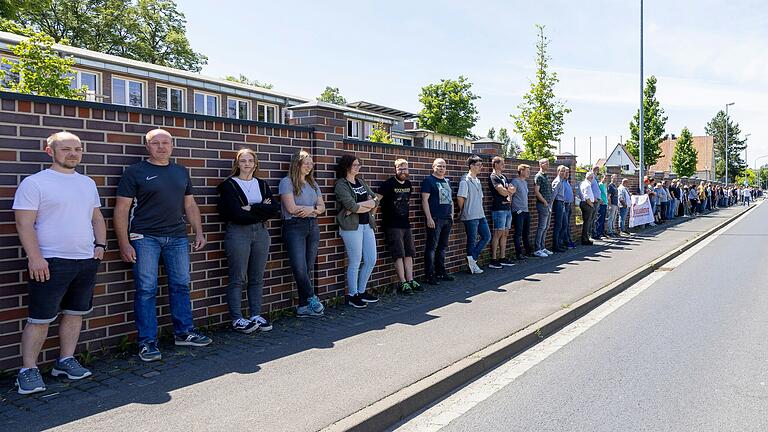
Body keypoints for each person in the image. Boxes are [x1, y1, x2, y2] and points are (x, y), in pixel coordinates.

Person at [13, 132, 106, 395]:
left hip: (85, 260)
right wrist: (35, 257)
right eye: (66, 149)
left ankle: (65, 361)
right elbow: (24, 224)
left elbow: (97, 218)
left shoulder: (87, 183)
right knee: (40, 318)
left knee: (75, 314)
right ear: (49, 151)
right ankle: (28, 370)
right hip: (50, 261)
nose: (73, 154)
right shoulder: (35, 183)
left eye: (77, 149)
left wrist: (99, 245)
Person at [115, 129, 212, 363]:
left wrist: (198, 231)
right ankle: (147, 342)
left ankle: (184, 332)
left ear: (172, 145)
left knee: (181, 285)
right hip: (144, 237)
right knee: (146, 289)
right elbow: (121, 209)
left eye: (165, 143)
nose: (161, 147)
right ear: (147, 146)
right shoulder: (135, 172)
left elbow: (190, 205)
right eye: (155, 143)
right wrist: (123, 242)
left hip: (177, 237)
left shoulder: (180, 171)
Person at [217, 148, 279, 334]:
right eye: (243, 161)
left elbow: (273, 209)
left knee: (256, 276)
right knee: (238, 277)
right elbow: (233, 213)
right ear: (237, 164)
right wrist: (260, 209)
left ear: (255, 163)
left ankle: (255, 314)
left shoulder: (262, 184)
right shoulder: (229, 185)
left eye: (250, 160)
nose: (247, 164)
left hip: (261, 233)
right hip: (238, 233)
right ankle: (237, 318)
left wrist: (250, 208)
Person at [279, 150, 326, 317]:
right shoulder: (287, 182)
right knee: (299, 267)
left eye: (311, 163)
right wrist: (313, 210)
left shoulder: (313, 184)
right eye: (306, 163)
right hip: (294, 227)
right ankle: (312, 298)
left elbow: (322, 208)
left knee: (307, 267)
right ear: (297, 164)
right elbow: (291, 209)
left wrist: (311, 210)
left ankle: (303, 307)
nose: (309, 166)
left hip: (312, 226)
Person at [334, 154, 380, 308]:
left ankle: (361, 291)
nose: (358, 167)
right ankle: (352, 295)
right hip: (351, 227)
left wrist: (365, 206)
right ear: (346, 166)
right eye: (355, 165)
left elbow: (376, 200)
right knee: (355, 261)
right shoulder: (341, 184)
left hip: (367, 224)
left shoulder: (361, 181)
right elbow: (351, 206)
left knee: (371, 259)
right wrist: (365, 205)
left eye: (359, 165)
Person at [379, 159, 421, 295]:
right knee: (398, 254)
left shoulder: (408, 184)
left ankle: (410, 280)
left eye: (405, 168)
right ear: (395, 169)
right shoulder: (388, 184)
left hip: (405, 224)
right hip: (392, 225)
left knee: (409, 253)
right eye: (400, 168)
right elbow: (376, 199)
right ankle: (402, 282)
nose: (403, 171)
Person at [422, 158, 456, 285]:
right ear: (433, 167)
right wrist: (429, 218)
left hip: (447, 218)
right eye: (439, 166)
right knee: (432, 247)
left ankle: (441, 272)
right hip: (435, 218)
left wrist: (452, 213)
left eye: (444, 166)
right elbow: (424, 200)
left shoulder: (447, 181)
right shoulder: (428, 181)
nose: (442, 168)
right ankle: (429, 275)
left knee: (443, 247)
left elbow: (451, 199)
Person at [458, 155, 491, 274]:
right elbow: (460, 198)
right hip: (470, 215)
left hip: (480, 214)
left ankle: (472, 260)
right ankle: (472, 264)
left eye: (481, 165)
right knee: (471, 241)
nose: (480, 167)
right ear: (471, 166)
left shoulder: (477, 180)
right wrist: (463, 210)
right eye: (478, 165)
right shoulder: (465, 181)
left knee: (487, 237)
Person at [488, 156, 516, 269]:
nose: (504, 165)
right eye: (502, 163)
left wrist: (509, 191)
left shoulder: (503, 177)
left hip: (507, 208)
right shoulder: (493, 177)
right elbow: (502, 191)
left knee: (505, 233)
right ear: (495, 164)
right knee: (498, 233)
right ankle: (493, 259)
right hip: (499, 208)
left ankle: (502, 257)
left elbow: (513, 190)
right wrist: (508, 192)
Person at [511, 164, 533, 260]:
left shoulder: (525, 182)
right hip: (518, 211)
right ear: (521, 171)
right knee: (518, 233)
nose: (529, 173)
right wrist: (515, 208)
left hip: (526, 211)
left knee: (526, 232)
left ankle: (528, 252)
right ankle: (518, 253)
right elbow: (511, 195)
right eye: (527, 171)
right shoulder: (515, 181)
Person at [533, 158, 553, 257]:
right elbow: (536, 191)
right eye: (546, 163)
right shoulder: (538, 176)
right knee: (541, 227)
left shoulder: (546, 176)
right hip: (543, 204)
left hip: (549, 204)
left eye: (548, 163)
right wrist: (544, 202)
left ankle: (542, 247)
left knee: (546, 227)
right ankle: (537, 249)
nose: (548, 165)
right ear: (540, 164)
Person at [550, 165, 568, 252]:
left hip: (562, 203)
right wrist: (550, 206)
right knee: (558, 225)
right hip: (558, 203)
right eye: (562, 171)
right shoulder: (557, 182)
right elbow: (553, 195)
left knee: (564, 224)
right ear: (558, 171)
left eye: (564, 171)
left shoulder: (562, 181)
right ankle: (556, 245)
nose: (563, 172)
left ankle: (560, 243)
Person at [579, 172, 596, 245]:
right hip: (587, 204)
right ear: (591, 178)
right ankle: (585, 239)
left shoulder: (583, 183)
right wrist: (591, 204)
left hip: (585, 203)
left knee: (586, 222)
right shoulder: (587, 185)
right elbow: (586, 196)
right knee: (587, 222)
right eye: (593, 177)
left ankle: (585, 238)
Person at [562, 167, 576, 248]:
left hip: (569, 204)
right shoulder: (562, 182)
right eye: (565, 172)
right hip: (565, 205)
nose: (567, 174)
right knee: (565, 224)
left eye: (568, 172)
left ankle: (568, 240)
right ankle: (566, 242)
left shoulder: (567, 182)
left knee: (567, 224)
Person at [590, 166, 604, 239]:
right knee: (593, 218)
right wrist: (594, 197)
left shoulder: (595, 178)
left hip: (597, 200)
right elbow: (590, 188)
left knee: (595, 217)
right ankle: (593, 233)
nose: (598, 171)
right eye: (597, 170)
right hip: (594, 200)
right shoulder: (592, 177)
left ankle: (595, 232)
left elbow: (597, 189)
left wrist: (600, 198)